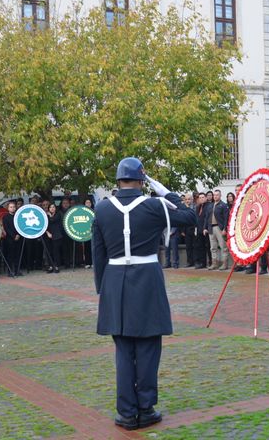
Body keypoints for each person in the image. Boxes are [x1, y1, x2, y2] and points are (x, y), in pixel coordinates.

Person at [91, 157, 196, 431]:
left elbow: (98, 254)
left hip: (114, 281)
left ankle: (126, 412)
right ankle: (145, 408)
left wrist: (103, 291)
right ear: (141, 180)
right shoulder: (153, 205)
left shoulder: (101, 210)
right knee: (148, 346)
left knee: (123, 349)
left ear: (118, 180)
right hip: (147, 279)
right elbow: (189, 216)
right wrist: (164, 191)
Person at [204, 189, 229, 270]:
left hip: (219, 228)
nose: (215, 196)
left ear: (220, 196)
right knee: (213, 247)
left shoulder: (223, 205)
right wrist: (205, 228)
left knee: (223, 246)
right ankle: (215, 263)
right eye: (214, 195)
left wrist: (225, 229)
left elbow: (226, 218)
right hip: (211, 228)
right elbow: (206, 218)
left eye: (217, 195)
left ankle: (224, 264)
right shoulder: (210, 205)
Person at [1, 201, 21, 277]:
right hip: (10, 239)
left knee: (17, 255)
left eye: (14, 207)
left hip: (18, 237)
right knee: (10, 255)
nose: (12, 208)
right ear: (8, 208)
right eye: (11, 207)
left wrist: (18, 234)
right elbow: (7, 228)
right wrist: (13, 236)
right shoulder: (5, 217)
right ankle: (10, 271)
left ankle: (17, 270)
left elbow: (20, 226)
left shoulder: (17, 216)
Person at [193, 193, 209, 269]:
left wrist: (205, 228)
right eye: (200, 198)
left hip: (205, 230)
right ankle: (201, 262)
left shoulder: (208, 206)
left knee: (207, 247)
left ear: (206, 198)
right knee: (199, 246)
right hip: (198, 229)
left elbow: (207, 218)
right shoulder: (198, 207)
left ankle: (208, 262)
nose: (201, 199)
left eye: (203, 197)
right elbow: (196, 218)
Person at [46, 203, 63, 273]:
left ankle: (56, 266)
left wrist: (50, 216)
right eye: (50, 207)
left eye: (53, 207)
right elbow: (45, 225)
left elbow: (53, 220)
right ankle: (50, 266)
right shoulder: (46, 216)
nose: (52, 208)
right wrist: (48, 233)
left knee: (56, 252)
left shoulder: (58, 214)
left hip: (57, 235)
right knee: (49, 251)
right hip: (48, 235)